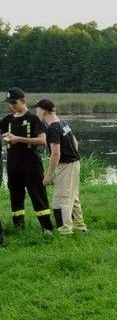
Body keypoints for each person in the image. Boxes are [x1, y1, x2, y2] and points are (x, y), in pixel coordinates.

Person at [1, 88, 54, 233]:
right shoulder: (8, 120)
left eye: (14, 102)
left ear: (23, 101)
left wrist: (18, 139)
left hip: (31, 163)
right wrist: (6, 138)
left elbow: (43, 141)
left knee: (37, 194)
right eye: (9, 103)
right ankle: (18, 227)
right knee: (15, 196)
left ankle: (47, 228)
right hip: (13, 164)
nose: (12, 105)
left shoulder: (33, 118)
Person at [35, 99, 87, 236]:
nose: (36, 113)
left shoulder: (52, 128)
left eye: (37, 110)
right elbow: (75, 143)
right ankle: (79, 226)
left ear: (44, 111)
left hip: (66, 166)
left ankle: (65, 231)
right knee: (72, 196)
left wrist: (49, 175)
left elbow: (56, 153)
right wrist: (72, 156)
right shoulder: (63, 123)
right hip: (75, 163)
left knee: (60, 200)